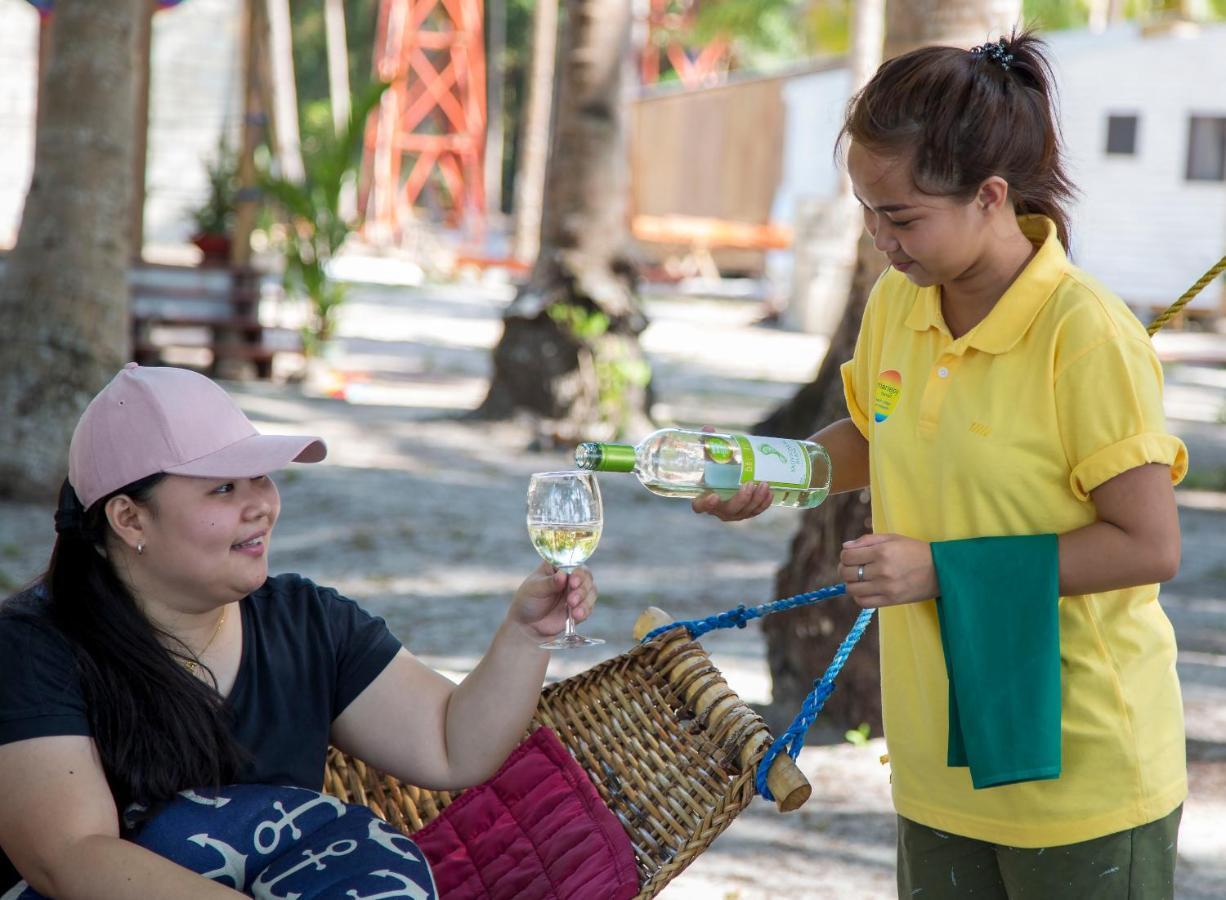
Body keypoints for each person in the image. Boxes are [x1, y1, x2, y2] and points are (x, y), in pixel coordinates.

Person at [696, 31, 1187, 899]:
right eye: (867, 210)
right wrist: (782, 470)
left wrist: (939, 570)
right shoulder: (900, 301)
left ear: (991, 196)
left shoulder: (1087, 336)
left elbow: (1148, 546)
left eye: (902, 216)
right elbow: (873, 431)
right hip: (938, 757)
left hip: (1081, 763)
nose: (881, 239)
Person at [0, 362, 597, 898]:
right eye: (224, 487)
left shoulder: (306, 622)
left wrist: (526, 634)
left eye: (261, 476)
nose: (261, 504)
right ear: (130, 517)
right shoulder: (32, 647)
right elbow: (70, 858)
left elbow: (449, 745)